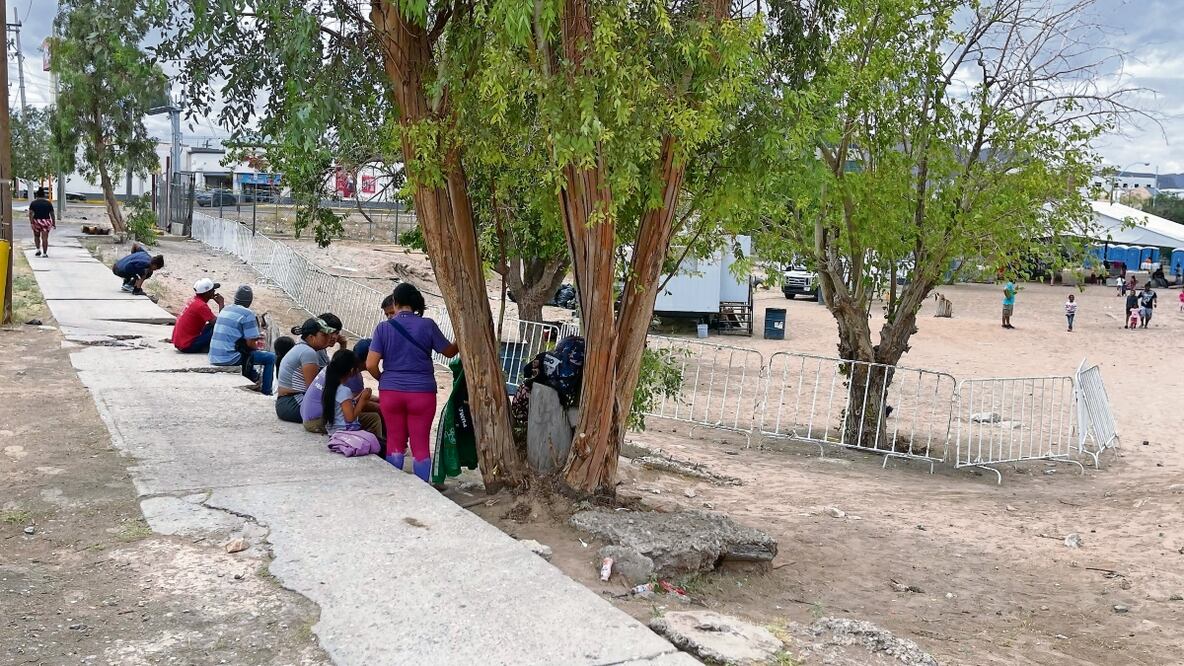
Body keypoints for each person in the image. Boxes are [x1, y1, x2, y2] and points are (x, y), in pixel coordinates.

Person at [367, 283, 458, 482]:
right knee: (420, 444)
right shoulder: (428, 325)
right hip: (422, 392)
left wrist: (384, 379)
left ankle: (394, 487)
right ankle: (422, 488)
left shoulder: (383, 328)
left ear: (395, 302)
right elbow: (450, 352)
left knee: (395, 441)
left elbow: (371, 364)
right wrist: (462, 336)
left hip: (391, 392)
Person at [303, 339, 384, 439]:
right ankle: (377, 444)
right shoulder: (350, 380)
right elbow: (350, 416)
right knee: (374, 417)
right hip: (317, 421)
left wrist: (366, 397)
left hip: (309, 416)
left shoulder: (334, 369)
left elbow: (346, 400)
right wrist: (363, 401)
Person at [209, 285, 275, 394]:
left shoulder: (225, 309)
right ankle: (266, 391)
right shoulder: (248, 314)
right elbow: (251, 344)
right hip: (228, 358)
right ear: (250, 301)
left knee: (247, 352)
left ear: (235, 298)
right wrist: (258, 343)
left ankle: (253, 376)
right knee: (270, 358)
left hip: (214, 356)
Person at [275, 317, 334, 422]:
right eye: (324, 335)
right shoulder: (308, 353)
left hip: (286, 403)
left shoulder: (301, 348)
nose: (329, 338)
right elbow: (313, 390)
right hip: (293, 404)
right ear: (311, 337)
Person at [173, 278, 224, 353]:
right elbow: (221, 323)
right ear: (207, 293)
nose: (214, 291)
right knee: (220, 328)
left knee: (211, 325)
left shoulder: (194, 300)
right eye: (213, 290)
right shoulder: (201, 306)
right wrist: (221, 304)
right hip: (187, 346)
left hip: (179, 343)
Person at [28, 188, 55, 257]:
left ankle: (38, 249)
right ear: (44, 195)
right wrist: (53, 223)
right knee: (44, 238)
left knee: (36, 236)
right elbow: (52, 214)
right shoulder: (48, 203)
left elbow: (31, 213)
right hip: (46, 221)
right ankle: (44, 253)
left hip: (36, 221)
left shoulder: (33, 203)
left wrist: (31, 222)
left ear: (37, 195)